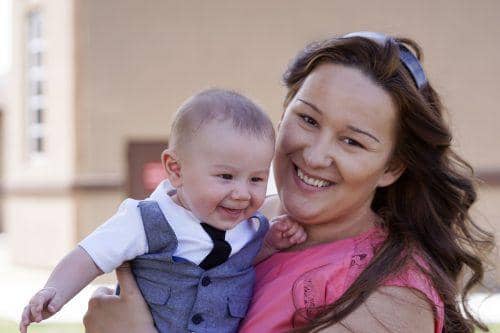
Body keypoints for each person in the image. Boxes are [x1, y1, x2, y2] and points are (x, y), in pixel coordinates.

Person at [83, 32, 494, 333]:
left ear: (392, 167)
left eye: (352, 141)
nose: (314, 155)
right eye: (308, 119)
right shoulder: (243, 220)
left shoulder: (391, 301)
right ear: (283, 114)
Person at [19, 89, 307, 333]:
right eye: (226, 177)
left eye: (256, 179)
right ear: (176, 170)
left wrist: (270, 244)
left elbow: (241, 261)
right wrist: (54, 291)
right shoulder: (144, 220)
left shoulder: (251, 229)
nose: (243, 193)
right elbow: (89, 256)